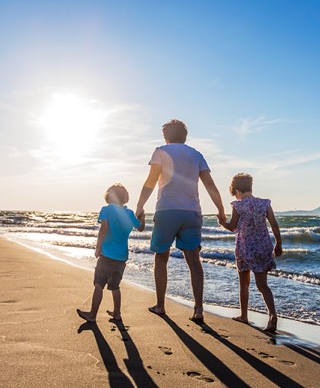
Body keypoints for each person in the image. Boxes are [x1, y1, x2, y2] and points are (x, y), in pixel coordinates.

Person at [135, 119, 226, 323]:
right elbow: (210, 185)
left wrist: (140, 205)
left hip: (167, 209)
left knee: (161, 257)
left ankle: (160, 305)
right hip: (192, 211)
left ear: (166, 137)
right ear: (185, 136)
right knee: (194, 261)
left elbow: (151, 181)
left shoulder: (161, 151)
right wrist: (220, 209)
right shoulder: (196, 154)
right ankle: (199, 309)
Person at [218, 173, 282, 333]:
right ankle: (272, 315)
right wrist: (278, 244)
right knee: (263, 285)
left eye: (235, 194)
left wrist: (221, 222)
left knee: (244, 282)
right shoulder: (264, 204)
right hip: (263, 247)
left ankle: (244, 315)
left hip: (245, 248)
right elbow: (274, 224)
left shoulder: (238, 205)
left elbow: (233, 227)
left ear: (237, 191)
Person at [77, 183, 145, 323]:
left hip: (107, 255)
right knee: (115, 286)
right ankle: (117, 313)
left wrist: (97, 247)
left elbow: (103, 229)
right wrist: (142, 218)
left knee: (99, 284)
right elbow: (141, 228)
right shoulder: (129, 213)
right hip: (121, 258)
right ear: (125, 198)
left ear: (109, 196)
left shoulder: (106, 210)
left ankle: (92, 314)